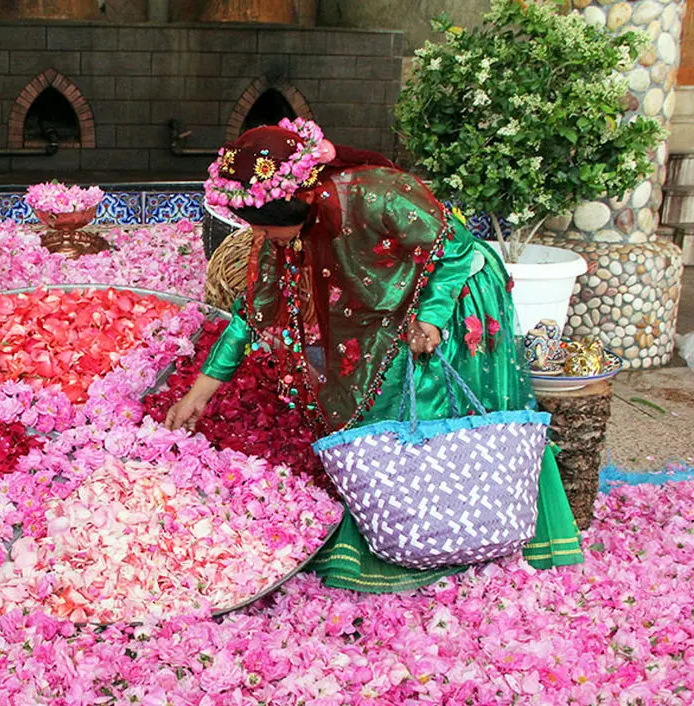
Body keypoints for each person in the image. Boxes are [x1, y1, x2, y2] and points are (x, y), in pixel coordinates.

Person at [166, 119, 583, 593]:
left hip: (448, 289)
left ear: (296, 200)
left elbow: (456, 248)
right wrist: (201, 390)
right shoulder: (280, 238)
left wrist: (432, 315)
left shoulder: (375, 194)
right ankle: (398, 527)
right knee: (367, 393)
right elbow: (252, 313)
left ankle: (446, 532)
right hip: (383, 303)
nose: (265, 238)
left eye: (267, 228)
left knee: (424, 404)